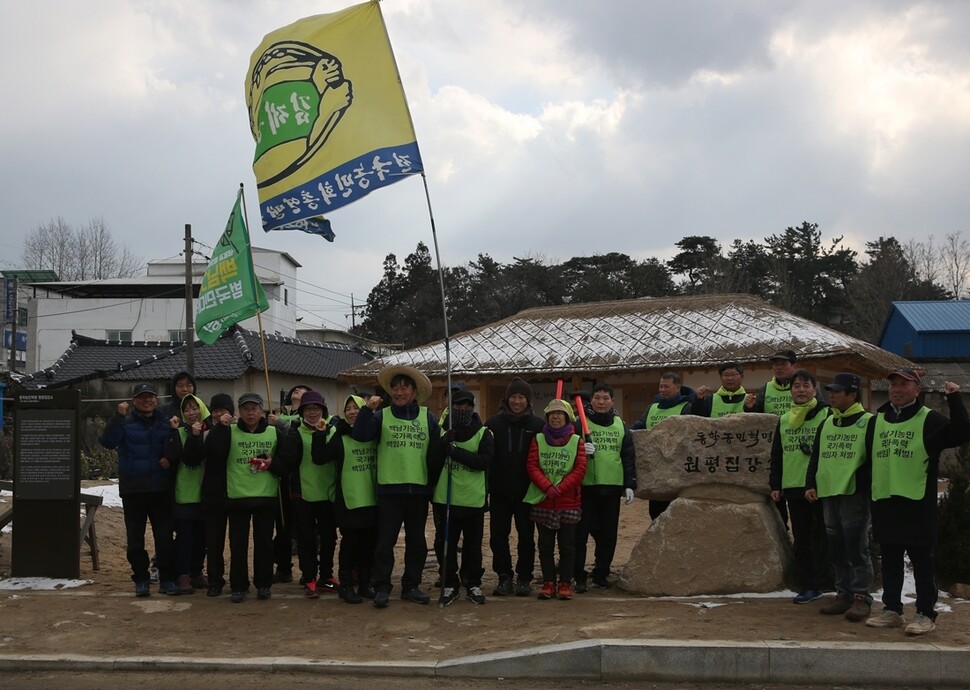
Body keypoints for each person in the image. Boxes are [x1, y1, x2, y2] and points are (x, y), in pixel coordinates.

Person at [864, 368, 969, 635]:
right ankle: (892, 610)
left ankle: (925, 613)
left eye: (904, 384)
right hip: (885, 500)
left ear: (917, 390)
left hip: (916, 501)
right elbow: (869, 460)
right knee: (890, 559)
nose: (897, 389)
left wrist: (955, 400)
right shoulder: (877, 421)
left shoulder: (928, 419)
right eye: (893, 385)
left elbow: (961, 433)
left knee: (922, 561)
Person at [352, 364, 442, 608]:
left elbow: (436, 454)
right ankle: (382, 586)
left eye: (404, 388)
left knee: (417, 543)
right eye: (395, 388)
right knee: (384, 544)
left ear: (414, 392)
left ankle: (411, 585)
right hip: (389, 491)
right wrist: (367, 410)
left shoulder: (428, 417)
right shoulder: (382, 415)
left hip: (419, 492)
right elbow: (360, 436)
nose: (399, 392)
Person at [204, 393, 288, 603]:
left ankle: (264, 584)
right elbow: (213, 452)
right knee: (238, 545)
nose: (250, 413)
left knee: (264, 545)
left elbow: (287, 463)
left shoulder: (274, 432)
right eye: (246, 409)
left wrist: (273, 464)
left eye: (254, 408)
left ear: (262, 411)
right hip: (237, 497)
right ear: (239, 412)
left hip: (265, 497)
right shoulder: (229, 431)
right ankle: (239, 585)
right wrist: (220, 427)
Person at [805, 372, 874, 622]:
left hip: (853, 492)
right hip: (828, 491)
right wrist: (810, 483)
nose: (831, 395)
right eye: (831, 391)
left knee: (856, 547)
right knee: (836, 547)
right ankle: (843, 593)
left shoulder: (868, 421)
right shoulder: (827, 422)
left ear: (852, 395)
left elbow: (874, 460)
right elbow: (816, 456)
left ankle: (861, 597)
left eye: (837, 391)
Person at [98, 383, 178, 596]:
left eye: (150, 396)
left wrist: (169, 459)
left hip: (160, 489)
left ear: (155, 399)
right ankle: (141, 578)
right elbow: (106, 442)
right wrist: (117, 417)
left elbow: (174, 448)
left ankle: (167, 578)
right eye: (142, 397)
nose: (147, 400)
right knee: (135, 540)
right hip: (133, 489)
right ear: (134, 400)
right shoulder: (125, 422)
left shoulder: (165, 422)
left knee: (164, 539)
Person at [769, 371, 830, 605]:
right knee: (802, 539)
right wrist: (776, 484)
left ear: (815, 390)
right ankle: (809, 585)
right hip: (794, 486)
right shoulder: (784, 419)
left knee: (826, 536)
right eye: (796, 386)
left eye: (806, 385)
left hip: (822, 486)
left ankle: (831, 580)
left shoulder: (826, 414)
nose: (801, 390)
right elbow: (777, 454)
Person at [485, 378, 545, 597]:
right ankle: (504, 576)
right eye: (513, 397)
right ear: (506, 399)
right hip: (499, 491)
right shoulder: (493, 424)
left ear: (527, 400)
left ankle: (524, 577)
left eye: (521, 397)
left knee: (526, 537)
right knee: (498, 536)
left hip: (527, 491)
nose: (517, 401)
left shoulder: (538, 426)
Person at [433, 386, 493, 606]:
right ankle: (449, 582)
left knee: (473, 545)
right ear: (451, 407)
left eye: (468, 405)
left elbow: (484, 462)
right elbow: (431, 459)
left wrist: (456, 452)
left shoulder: (483, 432)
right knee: (445, 543)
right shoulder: (441, 430)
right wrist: (443, 443)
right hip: (445, 498)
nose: (463, 408)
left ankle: (472, 582)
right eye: (459, 405)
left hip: (472, 499)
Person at [573, 384, 636, 593]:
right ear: (591, 401)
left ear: (612, 401)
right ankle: (578, 575)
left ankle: (601, 573)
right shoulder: (580, 425)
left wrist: (629, 484)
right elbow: (567, 449)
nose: (601, 402)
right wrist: (580, 448)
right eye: (597, 398)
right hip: (586, 488)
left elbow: (627, 456)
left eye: (605, 398)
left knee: (608, 535)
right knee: (579, 535)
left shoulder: (621, 425)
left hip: (612, 488)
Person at [525, 399, 587, 601]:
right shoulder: (538, 439)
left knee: (568, 545)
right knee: (545, 545)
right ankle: (548, 582)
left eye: (560, 414)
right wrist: (547, 487)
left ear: (567, 417)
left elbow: (580, 469)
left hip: (568, 501)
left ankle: (565, 583)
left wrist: (561, 487)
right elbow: (532, 466)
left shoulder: (577, 441)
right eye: (552, 414)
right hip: (544, 500)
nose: (556, 417)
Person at [318, 395, 379, 603]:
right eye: (348, 408)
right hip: (349, 499)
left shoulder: (374, 434)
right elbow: (320, 457)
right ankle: (346, 585)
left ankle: (364, 583)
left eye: (356, 407)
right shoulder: (340, 435)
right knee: (350, 544)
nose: (352, 412)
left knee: (368, 545)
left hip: (372, 498)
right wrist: (319, 435)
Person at [280, 390, 339, 599]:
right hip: (303, 494)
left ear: (323, 410)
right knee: (306, 539)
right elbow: (288, 460)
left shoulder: (332, 430)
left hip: (328, 493)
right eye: (308, 409)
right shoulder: (295, 431)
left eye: (316, 408)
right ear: (301, 411)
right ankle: (309, 577)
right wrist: (290, 436)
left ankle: (326, 576)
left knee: (329, 538)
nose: (312, 413)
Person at [182, 393, 235, 597]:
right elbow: (192, 459)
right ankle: (215, 580)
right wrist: (195, 437)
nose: (219, 414)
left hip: (238, 492)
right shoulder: (206, 433)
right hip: (212, 493)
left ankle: (239, 580)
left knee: (238, 542)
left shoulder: (238, 431)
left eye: (223, 410)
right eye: (215, 411)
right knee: (213, 543)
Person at [164, 393, 211, 594]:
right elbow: (176, 457)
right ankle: (181, 573)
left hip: (206, 493)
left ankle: (196, 571)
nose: (191, 413)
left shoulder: (212, 432)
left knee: (203, 538)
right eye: (187, 409)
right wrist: (178, 433)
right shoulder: (179, 432)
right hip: (184, 492)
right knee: (185, 538)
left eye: (195, 408)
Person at [632, 372, 695, 519]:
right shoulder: (652, 408)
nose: (662, 390)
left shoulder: (687, 407)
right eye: (661, 386)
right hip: (655, 468)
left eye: (667, 386)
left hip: (677, 469)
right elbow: (638, 426)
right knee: (655, 512)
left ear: (678, 387)